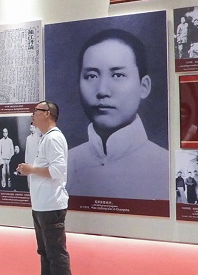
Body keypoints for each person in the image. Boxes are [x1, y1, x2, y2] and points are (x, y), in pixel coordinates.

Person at [67, 29, 168, 200]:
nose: (102, 90)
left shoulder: (166, 166)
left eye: (118, 75)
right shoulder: (65, 163)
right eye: (91, 76)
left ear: (144, 86)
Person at [16, 101, 74, 275]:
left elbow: (58, 170)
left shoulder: (54, 138)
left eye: (36, 111)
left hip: (51, 203)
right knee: (45, 250)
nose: (32, 114)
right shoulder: (44, 138)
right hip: (41, 204)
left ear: (47, 114)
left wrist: (31, 170)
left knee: (56, 251)